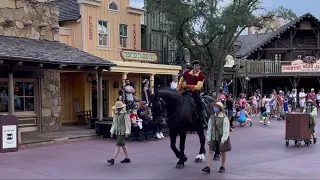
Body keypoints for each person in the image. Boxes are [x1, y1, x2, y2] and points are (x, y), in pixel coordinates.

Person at [202, 102, 230, 174]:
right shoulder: (212, 117)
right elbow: (209, 128)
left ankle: (222, 166)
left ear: (220, 108)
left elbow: (226, 129)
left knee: (223, 152)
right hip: (213, 137)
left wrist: (223, 140)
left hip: (221, 137)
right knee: (211, 151)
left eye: (217, 106)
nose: (215, 107)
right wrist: (208, 138)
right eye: (215, 106)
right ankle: (208, 167)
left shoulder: (224, 117)